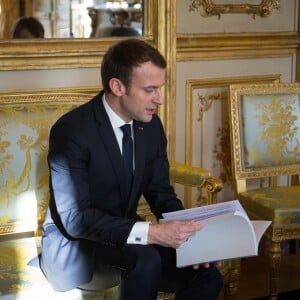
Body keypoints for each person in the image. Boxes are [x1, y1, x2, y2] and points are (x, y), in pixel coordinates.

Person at [40, 38, 223, 300]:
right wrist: (152, 233)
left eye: (160, 88)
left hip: (126, 237)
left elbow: (161, 194)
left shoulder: (150, 127)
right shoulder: (72, 131)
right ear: (117, 86)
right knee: (146, 260)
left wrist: (191, 240)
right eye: (150, 89)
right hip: (80, 248)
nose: (159, 99)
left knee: (207, 274)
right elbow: (74, 219)